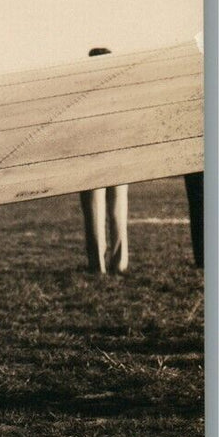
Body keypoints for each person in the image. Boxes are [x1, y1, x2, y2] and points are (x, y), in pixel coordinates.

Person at [79, 48, 128, 274]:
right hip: (117, 157)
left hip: (92, 159)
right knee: (118, 212)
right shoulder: (119, 92)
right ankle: (120, 263)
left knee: (94, 213)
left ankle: (97, 264)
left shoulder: (83, 95)